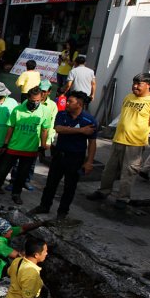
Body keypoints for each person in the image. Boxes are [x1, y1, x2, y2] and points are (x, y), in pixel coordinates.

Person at [89, 73, 150, 209]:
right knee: (110, 169)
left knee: (129, 171)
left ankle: (123, 198)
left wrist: (145, 133)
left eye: (139, 84)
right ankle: (103, 191)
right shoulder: (128, 97)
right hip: (118, 139)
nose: (135, 86)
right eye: (134, 83)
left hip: (135, 144)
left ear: (149, 85)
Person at [30, 92, 97, 221]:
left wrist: (89, 162)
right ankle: (44, 206)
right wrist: (81, 130)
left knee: (70, 186)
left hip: (75, 158)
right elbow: (59, 129)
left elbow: (92, 143)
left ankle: (62, 212)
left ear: (79, 104)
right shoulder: (62, 114)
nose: (66, 103)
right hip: (59, 155)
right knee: (51, 184)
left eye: (70, 101)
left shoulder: (89, 120)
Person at [0, 87, 52, 205]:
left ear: (41, 99)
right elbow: (10, 127)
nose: (35, 103)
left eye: (38, 101)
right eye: (33, 101)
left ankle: (16, 194)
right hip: (13, 147)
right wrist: (5, 144)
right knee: (2, 172)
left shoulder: (45, 111)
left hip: (30, 149)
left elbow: (44, 130)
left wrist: (42, 147)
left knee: (22, 175)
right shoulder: (17, 110)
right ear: (28, 98)